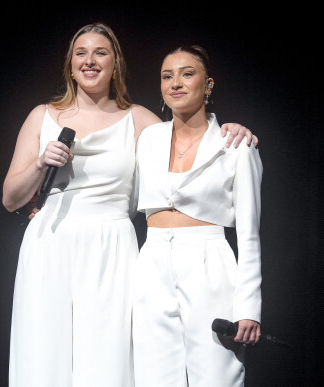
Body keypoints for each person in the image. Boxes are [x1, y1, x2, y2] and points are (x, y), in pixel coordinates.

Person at [2, 22, 257, 387]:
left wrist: (234, 129)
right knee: (43, 348)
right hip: (50, 241)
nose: (90, 61)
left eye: (100, 52)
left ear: (115, 63)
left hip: (112, 245)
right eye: (81, 53)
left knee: (106, 355)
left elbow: (188, 136)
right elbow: (11, 198)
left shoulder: (140, 121)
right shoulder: (41, 115)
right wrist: (42, 162)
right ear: (70, 64)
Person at [132, 44, 263, 387]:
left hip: (209, 262)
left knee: (216, 375)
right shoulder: (148, 139)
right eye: (167, 76)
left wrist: (249, 308)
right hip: (153, 260)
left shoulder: (235, 144)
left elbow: (249, 234)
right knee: (153, 376)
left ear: (208, 85)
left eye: (187, 73)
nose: (175, 82)